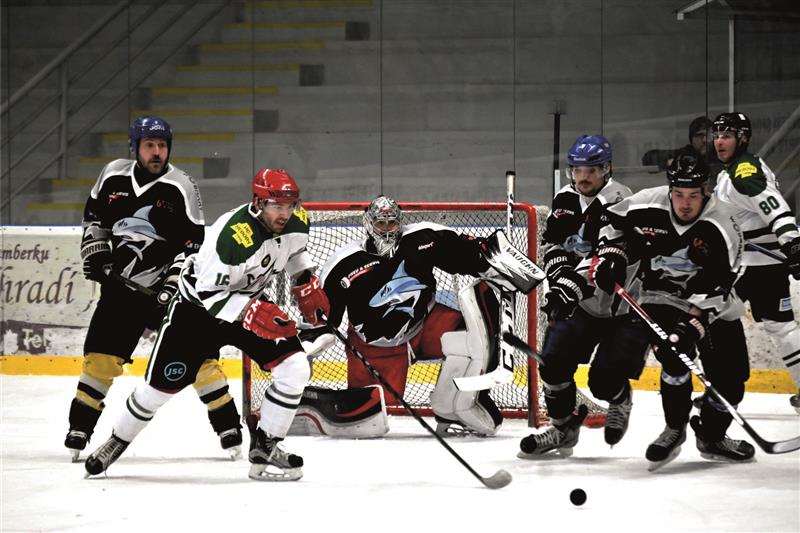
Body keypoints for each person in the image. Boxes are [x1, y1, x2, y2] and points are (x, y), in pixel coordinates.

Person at [84, 168, 329, 481]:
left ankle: (266, 446)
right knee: (157, 390)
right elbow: (208, 293)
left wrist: (304, 280)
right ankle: (117, 440)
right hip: (196, 312)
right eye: (276, 206)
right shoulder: (231, 236)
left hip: (246, 301)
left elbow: (294, 251)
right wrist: (253, 312)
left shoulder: (297, 221)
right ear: (258, 203)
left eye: (289, 205)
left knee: (295, 367)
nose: (284, 213)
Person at [65, 116, 241, 461]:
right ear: (135, 147)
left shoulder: (181, 186)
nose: (157, 152)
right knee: (100, 360)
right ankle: (79, 429)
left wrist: (173, 282)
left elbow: (193, 245)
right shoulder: (112, 175)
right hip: (120, 293)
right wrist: (96, 251)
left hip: (168, 296)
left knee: (201, 360)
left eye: (162, 145)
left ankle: (228, 428)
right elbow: (94, 219)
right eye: (149, 145)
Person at [317, 195, 532, 437]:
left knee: (473, 334)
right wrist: (311, 344)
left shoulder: (423, 239)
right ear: (368, 225)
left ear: (400, 223)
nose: (387, 230)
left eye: (392, 223)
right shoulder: (342, 264)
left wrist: (494, 261)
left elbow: (467, 252)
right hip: (375, 347)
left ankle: (457, 406)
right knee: (367, 420)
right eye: (380, 224)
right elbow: (323, 321)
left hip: (426, 326)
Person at [591, 152, 754, 469]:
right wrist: (611, 256)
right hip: (660, 299)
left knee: (732, 383)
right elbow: (610, 223)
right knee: (673, 357)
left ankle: (712, 435)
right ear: (669, 189)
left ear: (705, 191)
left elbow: (723, 285)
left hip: (713, 305)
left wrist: (693, 325)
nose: (685, 204)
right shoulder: (646, 204)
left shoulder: (723, 225)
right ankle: (675, 428)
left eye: (693, 195)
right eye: (678, 194)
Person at [518, 134, 651, 458]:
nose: (583, 177)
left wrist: (568, 286)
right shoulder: (565, 199)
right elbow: (554, 245)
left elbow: (603, 259)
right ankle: (563, 429)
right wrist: (559, 277)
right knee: (552, 365)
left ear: (607, 169)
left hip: (623, 308)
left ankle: (619, 397)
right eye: (577, 169)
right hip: (583, 304)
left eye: (591, 170)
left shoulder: (620, 200)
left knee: (602, 382)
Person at [712, 111, 800, 413]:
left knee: (710, 320)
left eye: (727, 135)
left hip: (747, 267)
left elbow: (774, 206)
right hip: (761, 266)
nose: (719, 142)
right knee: (782, 328)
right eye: (717, 135)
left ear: (743, 138)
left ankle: (722, 393)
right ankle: (723, 391)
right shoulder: (735, 169)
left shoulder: (744, 172)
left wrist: (793, 242)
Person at [641, 115, 713, 171]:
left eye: (708, 135)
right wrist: (671, 163)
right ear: (692, 139)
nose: (705, 140)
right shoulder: (685, 154)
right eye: (700, 136)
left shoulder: (717, 154)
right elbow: (648, 158)